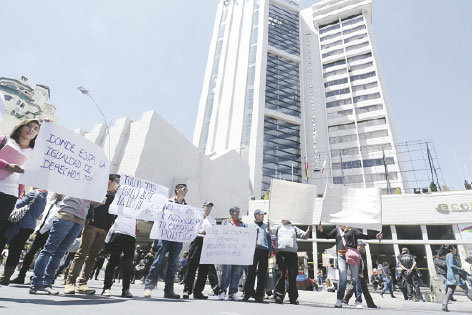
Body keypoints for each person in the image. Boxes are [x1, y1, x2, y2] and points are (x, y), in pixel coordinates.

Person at [29, 196, 101, 295]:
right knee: (49, 250)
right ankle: (36, 284)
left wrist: (97, 201)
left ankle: (47, 284)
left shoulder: (92, 187)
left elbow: (91, 202)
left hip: (80, 219)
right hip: (66, 214)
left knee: (60, 253)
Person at [64, 174, 120, 295]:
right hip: (91, 226)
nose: (118, 184)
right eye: (117, 181)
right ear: (109, 181)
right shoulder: (98, 192)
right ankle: (70, 282)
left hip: (105, 229)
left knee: (93, 257)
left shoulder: (118, 197)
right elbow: (88, 205)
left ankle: (83, 283)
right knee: (81, 254)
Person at [318, 225, 382, 309]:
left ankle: (358, 301)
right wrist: (321, 231)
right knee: (343, 277)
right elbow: (327, 236)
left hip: (352, 255)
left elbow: (363, 236)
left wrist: (375, 236)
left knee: (355, 278)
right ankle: (339, 300)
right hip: (341, 255)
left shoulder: (353, 230)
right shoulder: (337, 230)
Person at [144, 184, 188, 299]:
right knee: (158, 261)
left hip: (177, 239)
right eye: (184, 189)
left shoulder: (186, 206)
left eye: (186, 190)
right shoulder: (167, 202)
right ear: (177, 190)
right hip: (165, 237)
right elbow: (158, 216)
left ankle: (169, 290)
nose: (185, 191)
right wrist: (162, 210)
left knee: (172, 265)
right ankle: (149, 287)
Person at [10, 193, 63, 284]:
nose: (58, 194)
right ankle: (21, 276)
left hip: (50, 232)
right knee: (30, 253)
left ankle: (42, 278)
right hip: (41, 231)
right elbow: (45, 217)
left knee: (46, 256)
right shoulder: (51, 203)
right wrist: (38, 229)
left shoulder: (61, 206)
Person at [0, 189, 48, 285]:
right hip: (30, 225)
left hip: (20, 224)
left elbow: (19, 204)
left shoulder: (34, 193)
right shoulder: (44, 197)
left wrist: (17, 198)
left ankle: (5, 277)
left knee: (9, 247)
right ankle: (6, 277)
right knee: (17, 250)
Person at [0, 120, 40, 232]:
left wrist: (48, 127)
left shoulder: (34, 154)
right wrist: (7, 165)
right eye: (29, 126)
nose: (31, 129)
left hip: (10, 195)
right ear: (21, 127)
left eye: (36, 128)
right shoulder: (4, 141)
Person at [271, 220, 311, 305]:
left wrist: (308, 230)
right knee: (281, 274)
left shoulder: (294, 228)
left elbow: (304, 236)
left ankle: (293, 297)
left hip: (292, 254)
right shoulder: (278, 227)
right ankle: (279, 296)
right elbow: (269, 231)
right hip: (281, 253)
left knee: (293, 275)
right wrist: (267, 226)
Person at [182, 201, 216, 300]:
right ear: (203, 207)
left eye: (210, 207)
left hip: (207, 242)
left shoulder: (212, 220)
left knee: (204, 269)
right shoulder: (196, 217)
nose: (208, 209)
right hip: (197, 240)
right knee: (192, 266)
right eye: (207, 207)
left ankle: (198, 291)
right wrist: (199, 231)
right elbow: (190, 228)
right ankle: (187, 290)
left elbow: (214, 231)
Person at [101, 216, 136, 298]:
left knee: (128, 265)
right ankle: (106, 288)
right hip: (118, 234)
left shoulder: (136, 212)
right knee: (113, 262)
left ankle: (126, 289)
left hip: (131, 237)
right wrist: (107, 241)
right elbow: (113, 225)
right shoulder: (120, 209)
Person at [242, 209, 271, 303]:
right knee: (251, 272)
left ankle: (259, 295)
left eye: (263, 215)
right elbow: (245, 236)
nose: (263, 216)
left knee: (262, 273)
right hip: (253, 250)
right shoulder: (249, 225)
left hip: (264, 250)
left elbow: (269, 239)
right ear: (256, 215)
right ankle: (247, 293)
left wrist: (270, 250)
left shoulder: (266, 227)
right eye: (262, 214)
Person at [218, 206, 246, 301]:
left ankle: (233, 292)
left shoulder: (242, 224)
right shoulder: (225, 223)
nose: (237, 213)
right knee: (226, 272)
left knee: (237, 272)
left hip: (238, 252)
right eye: (236, 212)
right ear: (231, 212)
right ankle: (222, 291)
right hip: (228, 252)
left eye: (238, 212)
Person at [342, 240, 378, 308]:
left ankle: (345, 300)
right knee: (358, 288)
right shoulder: (355, 253)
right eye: (363, 246)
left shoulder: (359, 254)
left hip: (359, 274)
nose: (364, 248)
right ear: (359, 246)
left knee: (356, 287)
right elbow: (352, 264)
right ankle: (368, 303)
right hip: (357, 274)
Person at [441, 245, 472, 312]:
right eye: (455, 248)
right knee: (467, 290)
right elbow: (451, 265)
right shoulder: (451, 255)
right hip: (455, 276)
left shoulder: (447, 255)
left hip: (450, 275)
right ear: (451, 249)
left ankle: (444, 305)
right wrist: (460, 269)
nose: (456, 250)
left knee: (449, 291)